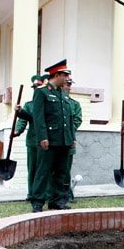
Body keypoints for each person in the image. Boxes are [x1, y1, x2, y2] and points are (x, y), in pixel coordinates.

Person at [30, 59, 76, 213]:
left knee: (61, 172)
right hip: (48, 141)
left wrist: (72, 137)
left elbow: (68, 118)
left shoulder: (62, 94)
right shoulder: (41, 92)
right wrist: (42, 137)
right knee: (43, 171)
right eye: (65, 75)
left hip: (63, 140)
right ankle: (37, 202)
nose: (67, 79)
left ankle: (56, 201)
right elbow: (38, 117)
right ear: (57, 75)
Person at [14, 75, 43, 201]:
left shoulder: (46, 103)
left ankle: (44, 194)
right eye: (34, 87)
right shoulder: (29, 105)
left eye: (38, 87)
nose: (36, 89)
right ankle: (31, 193)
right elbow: (23, 119)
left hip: (46, 141)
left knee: (44, 169)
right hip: (32, 141)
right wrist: (17, 130)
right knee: (33, 169)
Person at [62, 74, 82, 203]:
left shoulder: (74, 104)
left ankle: (67, 195)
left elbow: (77, 120)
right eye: (67, 85)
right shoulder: (54, 101)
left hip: (68, 141)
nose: (70, 87)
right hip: (54, 142)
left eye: (70, 85)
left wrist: (67, 131)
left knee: (65, 170)